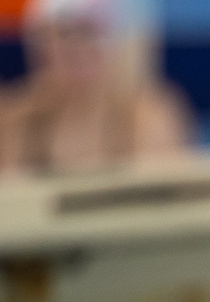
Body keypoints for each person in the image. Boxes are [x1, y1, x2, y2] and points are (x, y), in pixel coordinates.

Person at [0, 0, 191, 178]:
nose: (70, 51)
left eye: (84, 35)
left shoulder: (147, 118)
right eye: (53, 38)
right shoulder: (16, 121)